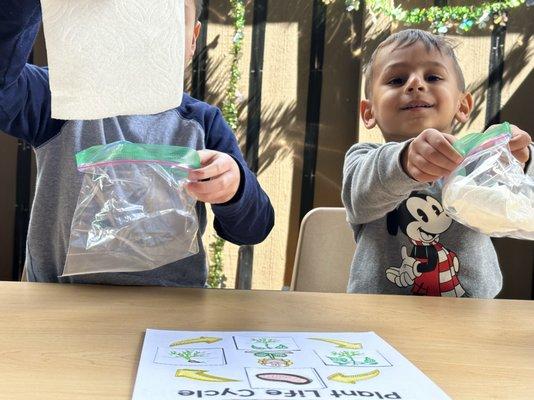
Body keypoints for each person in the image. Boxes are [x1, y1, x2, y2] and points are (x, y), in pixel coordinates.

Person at [0, 0, 274, 286]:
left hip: (172, 308)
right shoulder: (56, 99)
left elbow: (254, 229)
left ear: (192, 40)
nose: (148, 32)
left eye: (166, 18)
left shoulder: (203, 123)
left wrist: (236, 187)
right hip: (61, 304)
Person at [342, 29, 533, 297]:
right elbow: (360, 195)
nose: (415, 84)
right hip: (380, 315)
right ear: (368, 111)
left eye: (433, 77)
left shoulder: (479, 159)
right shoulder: (363, 158)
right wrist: (405, 161)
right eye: (396, 80)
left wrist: (520, 161)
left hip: (471, 315)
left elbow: (521, 200)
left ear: (463, 106)